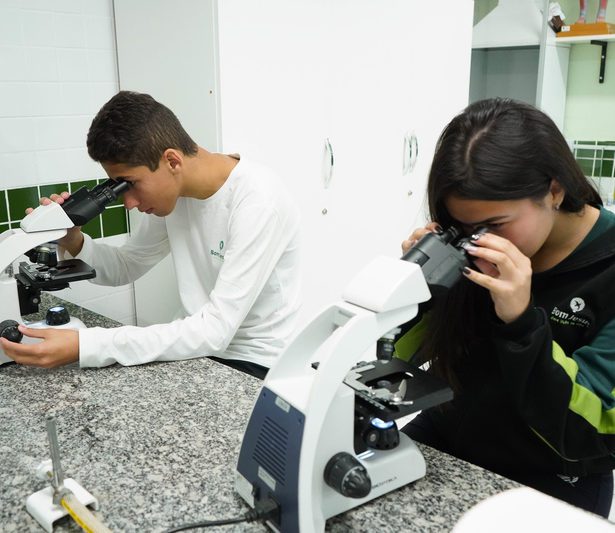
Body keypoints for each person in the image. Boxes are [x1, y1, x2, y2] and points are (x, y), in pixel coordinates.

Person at [396, 98, 615, 517]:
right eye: (462, 227)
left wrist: (521, 321)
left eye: (493, 226)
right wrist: (415, 290)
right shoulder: (471, 236)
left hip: (554, 468)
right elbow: (400, 356)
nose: (477, 241)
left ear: (554, 190)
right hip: (452, 435)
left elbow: (593, 428)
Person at [0, 91, 302, 379]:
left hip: (254, 364)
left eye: (130, 184)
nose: (128, 203)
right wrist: (72, 239)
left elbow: (215, 331)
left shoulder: (258, 203)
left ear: (172, 161)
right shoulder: (176, 193)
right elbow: (127, 265)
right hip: (200, 351)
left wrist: (85, 345)